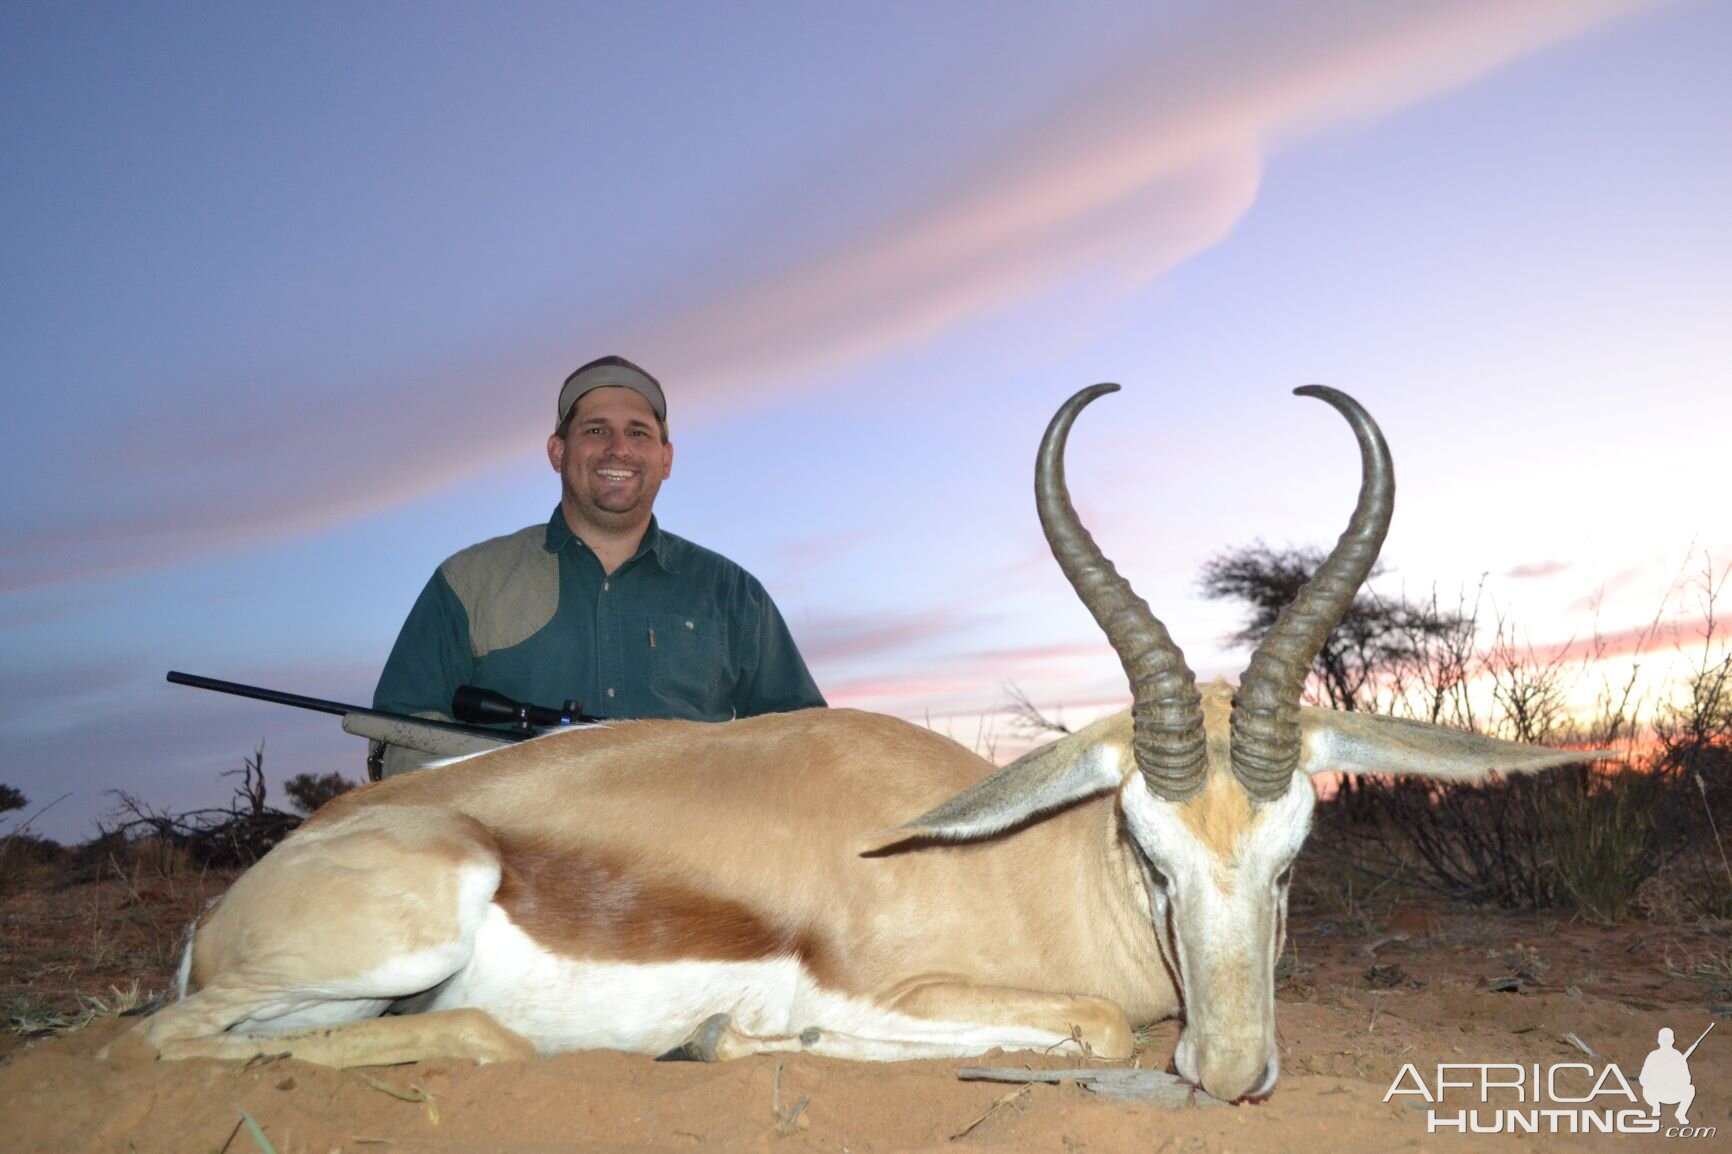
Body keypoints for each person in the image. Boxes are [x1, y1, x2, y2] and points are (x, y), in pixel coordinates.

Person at [372, 355, 825, 777]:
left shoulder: (734, 595)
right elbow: (398, 740)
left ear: (665, 459)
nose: (618, 449)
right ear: (557, 452)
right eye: (595, 430)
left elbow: (807, 751)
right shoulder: (469, 581)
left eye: (639, 433)